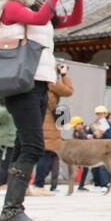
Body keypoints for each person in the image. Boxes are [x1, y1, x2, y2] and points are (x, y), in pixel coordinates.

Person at [0, 0, 84, 221]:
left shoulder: (37, 9)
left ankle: (10, 212)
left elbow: (71, 21)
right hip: (22, 83)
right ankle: (12, 209)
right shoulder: (11, 6)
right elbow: (42, 18)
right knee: (33, 146)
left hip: (41, 83)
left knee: (24, 146)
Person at [33, 63, 73, 194]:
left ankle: (38, 183)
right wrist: (64, 74)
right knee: (47, 154)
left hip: (37, 119)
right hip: (48, 122)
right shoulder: (51, 81)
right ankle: (38, 184)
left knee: (44, 154)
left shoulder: (35, 80)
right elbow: (69, 90)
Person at [0, 97, 17, 190]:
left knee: (4, 164)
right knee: (5, 164)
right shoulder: (6, 111)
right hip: (7, 140)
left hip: (1, 140)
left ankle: (0, 184)